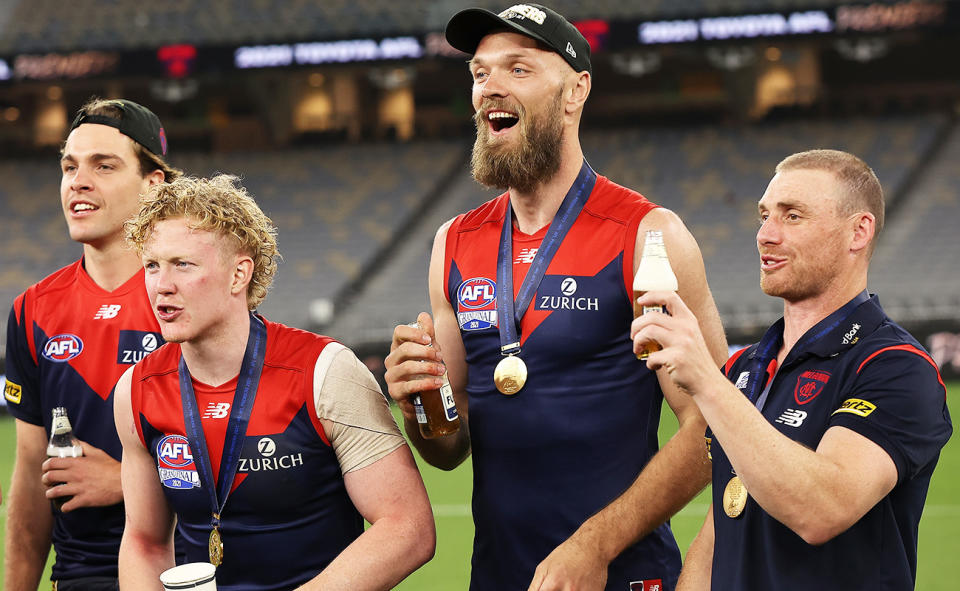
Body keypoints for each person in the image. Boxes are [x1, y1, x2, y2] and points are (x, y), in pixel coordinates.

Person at [384, 4, 727, 590]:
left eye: (518, 69)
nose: (489, 85)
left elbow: (716, 424)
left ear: (576, 92)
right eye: (480, 72)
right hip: (498, 576)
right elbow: (449, 447)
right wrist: (422, 402)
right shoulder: (454, 242)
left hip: (620, 575)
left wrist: (596, 546)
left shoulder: (646, 234)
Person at [629, 150, 953, 590]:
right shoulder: (747, 367)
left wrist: (705, 377)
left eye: (792, 216)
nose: (765, 234)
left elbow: (822, 510)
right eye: (764, 216)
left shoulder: (896, 367)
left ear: (858, 231)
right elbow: (722, 524)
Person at [114, 175, 435, 590]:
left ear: (238, 275)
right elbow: (144, 540)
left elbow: (407, 528)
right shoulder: (137, 389)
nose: (162, 285)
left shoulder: (325, 372)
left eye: (183, 264)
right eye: (152, 266)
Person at [4, 98, 180, 591]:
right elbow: (30, 477)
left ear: (153, 186)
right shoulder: (32, 310)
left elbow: (242, 462)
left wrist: (126, 480)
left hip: (183, 572)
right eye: (69, 166)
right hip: (80, 577)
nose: (78, 181)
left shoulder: (195, 299)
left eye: (104, 166)